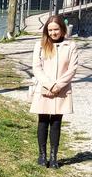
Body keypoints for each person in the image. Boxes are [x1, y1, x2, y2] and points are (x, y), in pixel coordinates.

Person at [30, 14, 78, 169]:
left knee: (56, 123)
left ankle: (54, 157)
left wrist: (59, 86)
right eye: (50, 30)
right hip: (44, 88)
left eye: (56, 29)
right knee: (43, 121)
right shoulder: (40, 45)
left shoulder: (71, 46)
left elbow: (72, 69)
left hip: (62, 90)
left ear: (62, 29)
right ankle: (42, 156)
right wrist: (50, 85)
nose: (53, 33)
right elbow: (37, 68)